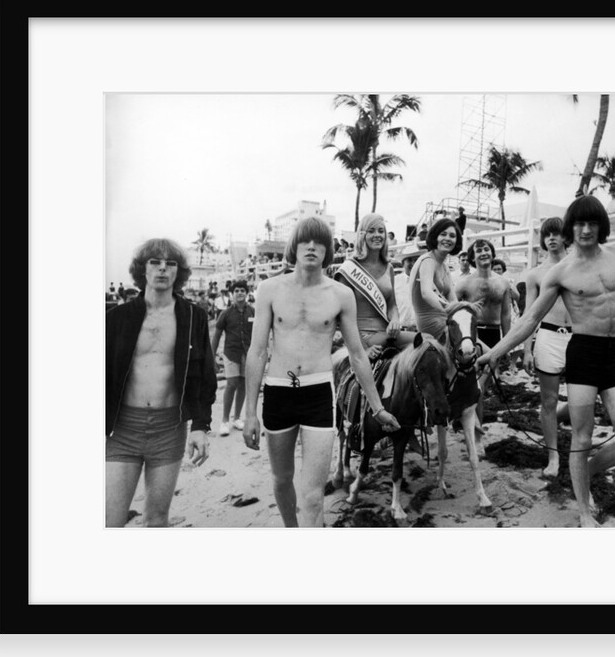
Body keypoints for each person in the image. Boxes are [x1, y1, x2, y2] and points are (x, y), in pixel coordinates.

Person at [477, 196, 615, 527]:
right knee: (582, 438)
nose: (585, 230)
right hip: (583, 355)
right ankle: (585, 513)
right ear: (571, 228)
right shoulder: (561, 273)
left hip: (614, 353)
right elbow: (530, 319)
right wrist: (494, 353)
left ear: (601, 225)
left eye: (591, 223)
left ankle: (585, 471)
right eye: (579, 224)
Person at [242, 216, 401, 527]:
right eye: (305, 241)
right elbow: (257, 351)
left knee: (314, 495)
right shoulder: (269, 289)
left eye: (319, 242)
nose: (312, 247)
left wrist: (378, 407)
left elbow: (357, 354)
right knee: (281, 479)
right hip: (277, 392)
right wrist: (250, 412)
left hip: (318, 393)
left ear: (328, 250)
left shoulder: (340, 295)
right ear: (294, 247)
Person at [105, 238, 217, 527]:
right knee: (110, 519)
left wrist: (202, 426)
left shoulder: (194, 317)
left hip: (169, 428)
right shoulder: (116, 319)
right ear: (142, 269)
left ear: (178, 272)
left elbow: (205, 378)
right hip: (123, 428)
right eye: (155, 262)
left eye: (171, 263)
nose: (163, 269)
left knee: (156, 520)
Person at [521, 217, 573, 478]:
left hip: (578, 337)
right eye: (547, 234)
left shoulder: (578, 266)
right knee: (549, 400)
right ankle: (553, 456)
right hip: (548, 336)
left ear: (566, 236)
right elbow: (529, 314)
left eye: (556, 233)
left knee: (581, 400)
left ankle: (567, 427)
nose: (551, 238)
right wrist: (527, 349)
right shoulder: (536, 274)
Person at [334, 214, 416, 359]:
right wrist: (363, 349)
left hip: (388, 334)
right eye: (371, 231)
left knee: (428, 341)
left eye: (380, 231)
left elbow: (392, 306)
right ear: (362, 235)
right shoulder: (349, 268)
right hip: (362, 337)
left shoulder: (388, 267)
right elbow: (343, 318)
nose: (377, 235)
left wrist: (395, 320)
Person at [211, 280, 255, 436]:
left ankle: (237, 418)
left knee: (243, 384)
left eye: (242, 290)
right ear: (232, 294)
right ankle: (224, 421)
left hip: (248, 354)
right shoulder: (226, 313)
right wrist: (212, 356)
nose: (240, 293)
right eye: (236, 291)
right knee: (231, 383)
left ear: (247, 293)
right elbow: (216, 337)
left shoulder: (253, 312)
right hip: (231, 353)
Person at [409, 217, 463, 342]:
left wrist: (461, 313)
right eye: (443, 234)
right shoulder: (428, 261)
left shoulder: (444, 266)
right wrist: (451, 310)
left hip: (445, 319)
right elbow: (426, 293)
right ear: (434, 237)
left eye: (452, 236)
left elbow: (452, 296)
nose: (448, 239)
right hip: (430, 324)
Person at [454, 238, 511, 351]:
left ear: (492, 254)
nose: (484, 253)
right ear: (472, 258)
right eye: (479, 251)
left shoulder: (503, 283)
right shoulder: (463, 284)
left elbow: (506, 315)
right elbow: (452, 312)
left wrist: (506, 345)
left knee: (493, 368)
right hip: (471, 335)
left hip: (495, 334)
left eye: (486, 249)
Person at [393, 242, 424, 331]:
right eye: (409, 260)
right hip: (399, 332)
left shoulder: (428, 282)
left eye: (416, 260)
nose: (413, 263)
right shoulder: (394, 282)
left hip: (421, 332)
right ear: (403, 263)